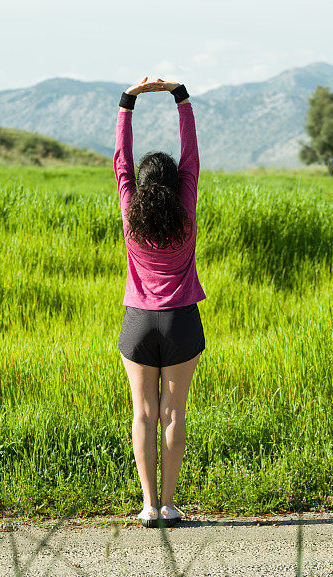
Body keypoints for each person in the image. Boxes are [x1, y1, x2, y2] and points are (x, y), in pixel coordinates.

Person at [113, 76, 206, 528]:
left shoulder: (131, 211)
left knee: (143, 413)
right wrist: (179, 95)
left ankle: (147, 506)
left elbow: (120, 163)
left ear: (140, 185)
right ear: (176, 182)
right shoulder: (185, 209)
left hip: (138, 324)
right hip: (181, 322)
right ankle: (168, 505)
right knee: (173, 413)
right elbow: (190, 156)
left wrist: (127, 101)